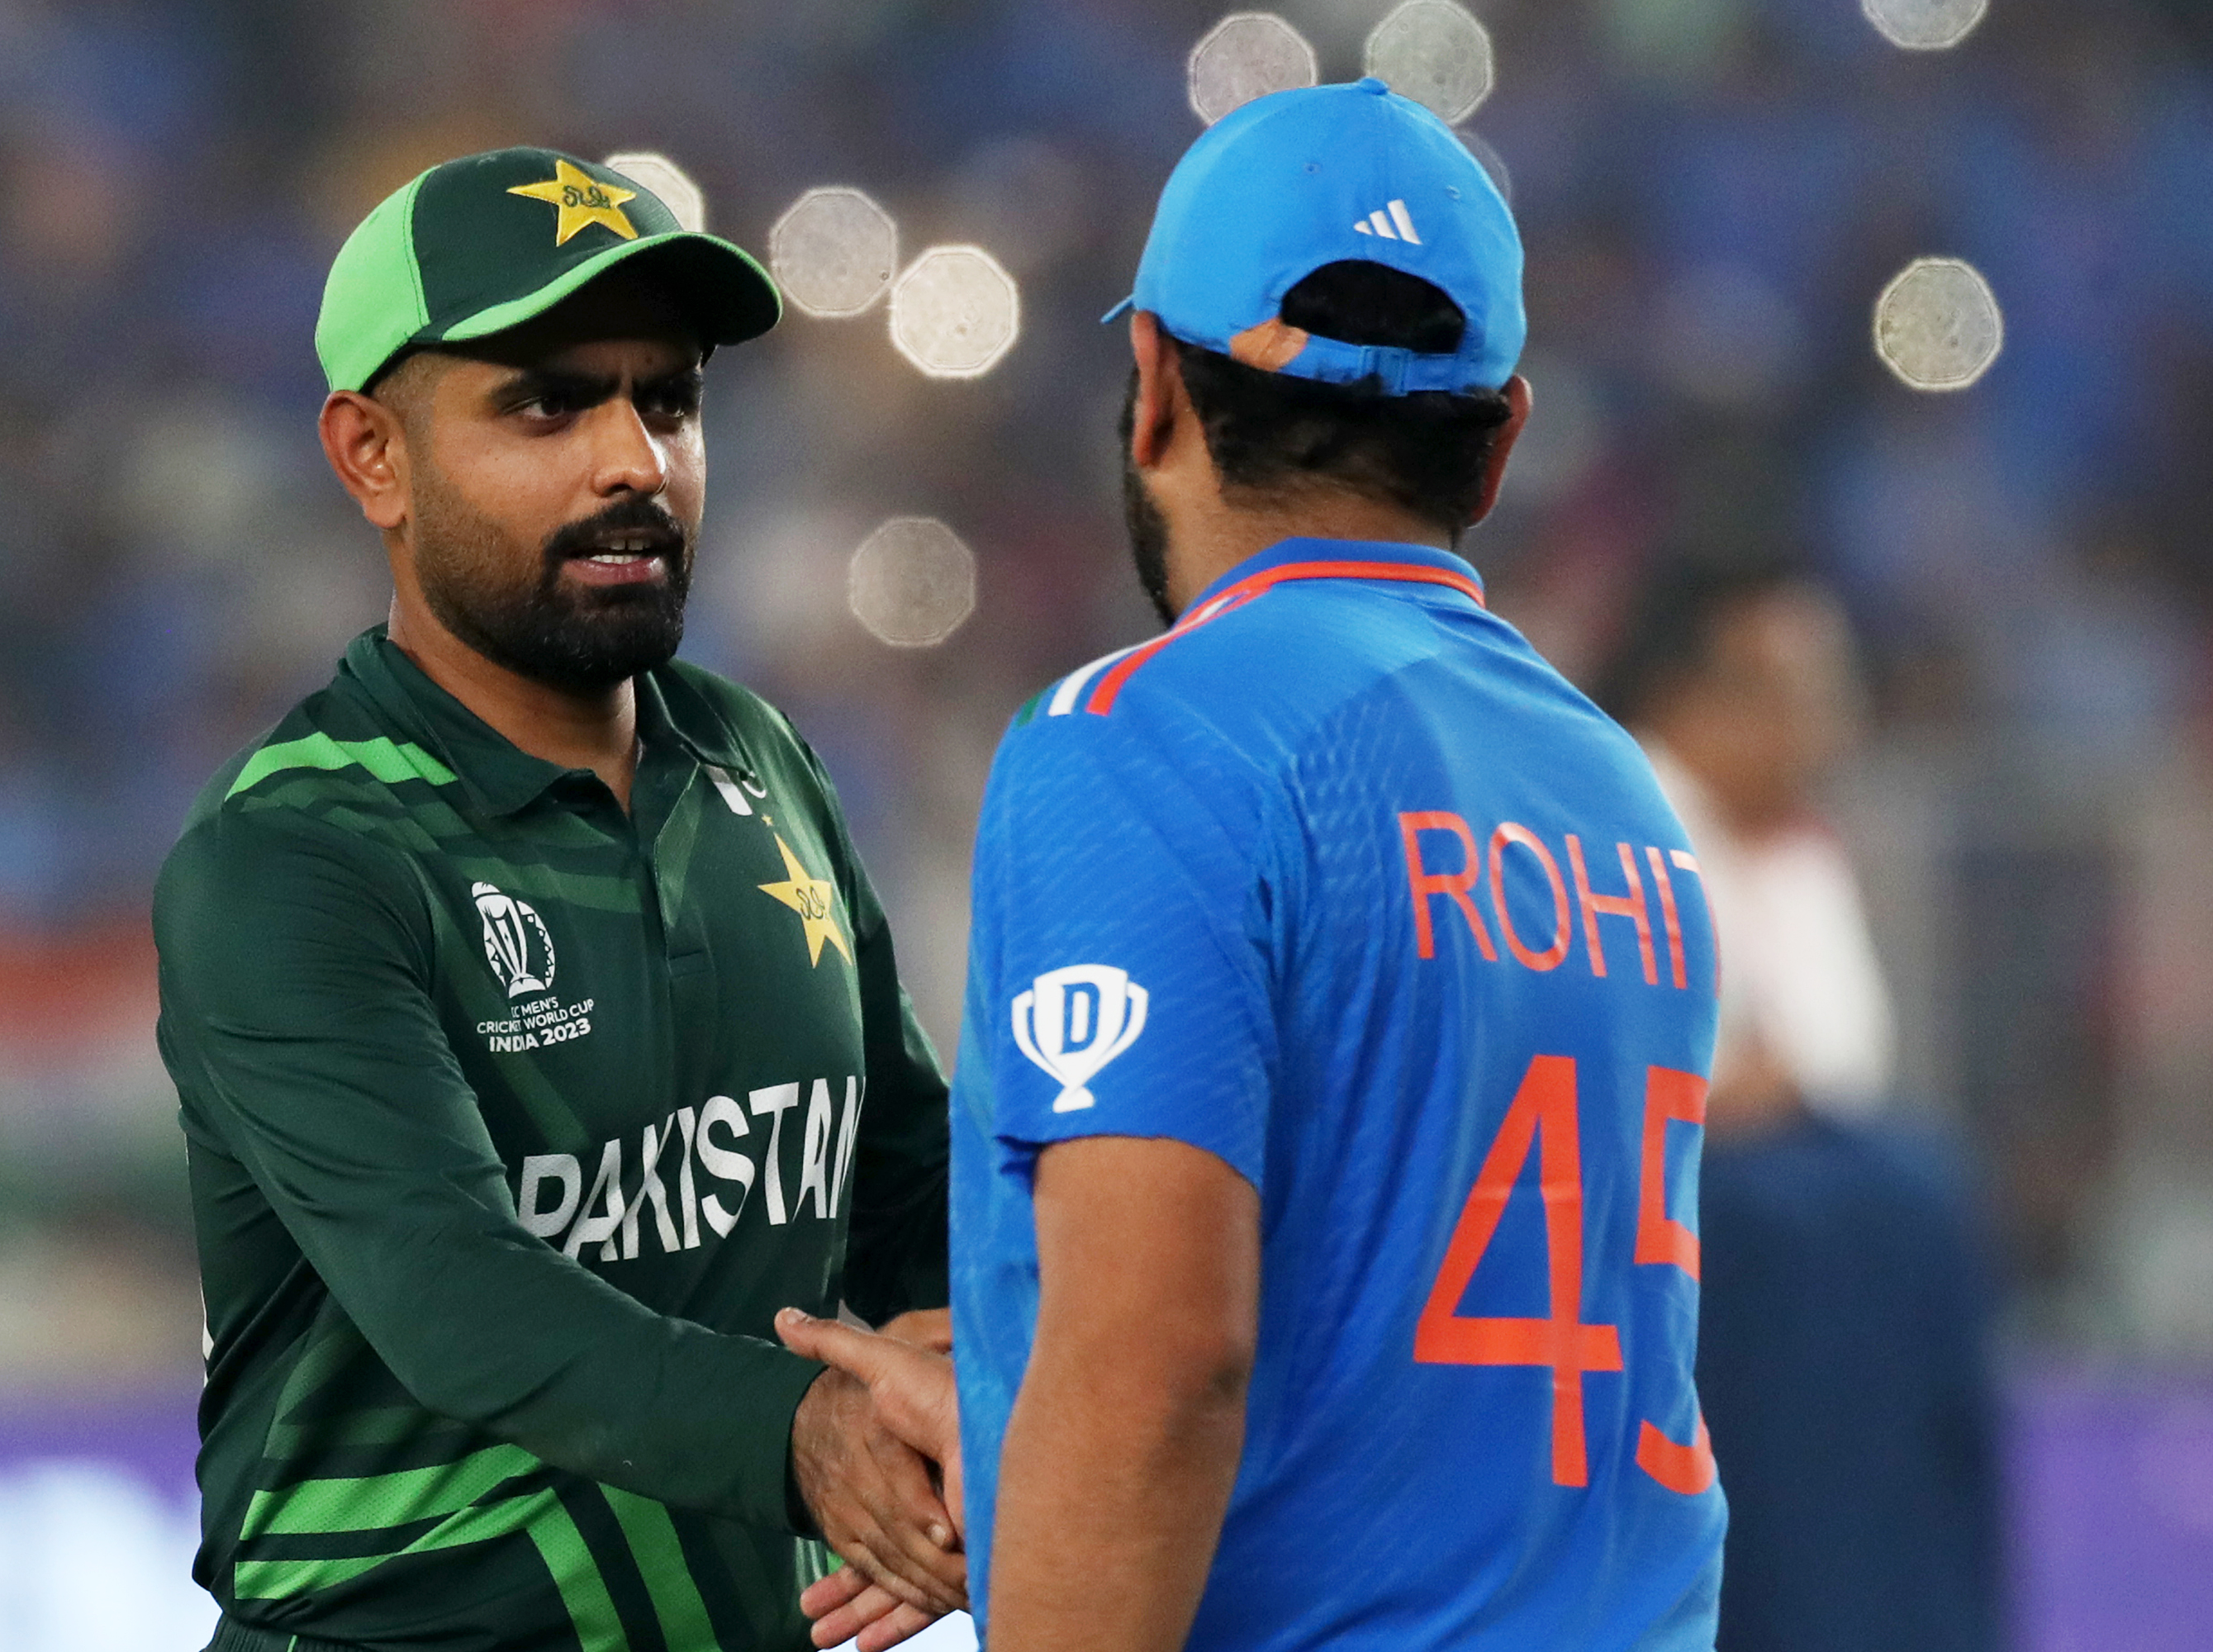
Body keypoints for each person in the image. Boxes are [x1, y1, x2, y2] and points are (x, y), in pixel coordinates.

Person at [786, 79, 1727, 1652]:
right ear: (1498, 445)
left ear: (1150, 384)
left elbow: (1161, 1369)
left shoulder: (1142, 739)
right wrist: (1033, 1382)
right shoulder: (1617, 791)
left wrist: (1076, 1404)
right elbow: (1397, 1327)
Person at [153, 147, 964, 1652]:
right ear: (371, 455)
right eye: (548, 402)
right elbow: (465, 1297)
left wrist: (995, 1366)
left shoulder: (756, 755)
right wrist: (809, 1440)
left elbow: (910, 1186)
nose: (634, 461)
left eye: (669, 398)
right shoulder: (293, 858)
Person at [1596, 558, 2003, 1652]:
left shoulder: (1800, 851)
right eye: (1800, 692)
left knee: (1922, 1197)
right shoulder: (1614, 825)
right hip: (1668, 1235)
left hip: (1816, 1215)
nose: (1829, 724)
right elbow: (1667, 1086)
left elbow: (1835, 1071)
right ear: (1698, 697)